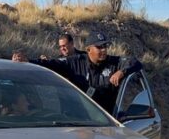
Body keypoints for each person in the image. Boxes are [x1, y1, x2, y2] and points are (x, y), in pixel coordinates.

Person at [12, 31, 142, 114]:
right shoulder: (75, 62)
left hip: (108, 123)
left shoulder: (113, 63)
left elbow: (135, 62)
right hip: (79, 122)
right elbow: (51, 64)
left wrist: (122, 72)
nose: (103, 50)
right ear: (88, 49)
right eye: (99, 47)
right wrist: (27, 61)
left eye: (105, 47)